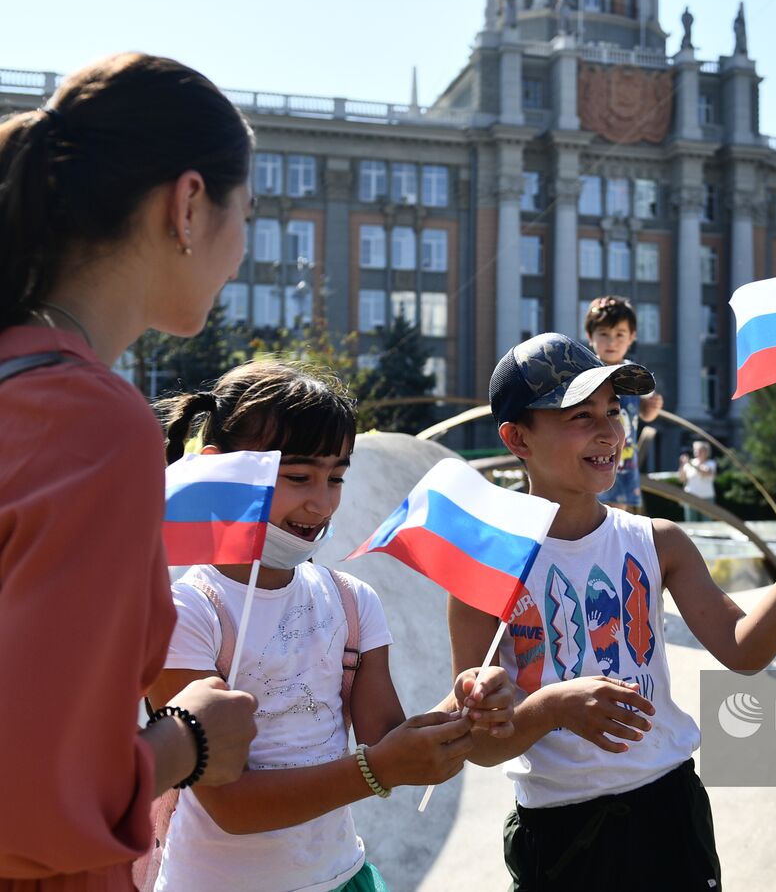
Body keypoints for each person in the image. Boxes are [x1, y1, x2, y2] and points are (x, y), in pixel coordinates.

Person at [0, 53, 260, 889]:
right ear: (188, 205)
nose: (242, 253)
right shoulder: (93, 424)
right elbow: (37, 801)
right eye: (245, 214)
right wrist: (188, 739)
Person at [450, 333, 776, 891]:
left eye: (613, 411)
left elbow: (746, 649)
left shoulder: (658, 542)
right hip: (561, 835)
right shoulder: (485, 571)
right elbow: (484, 746)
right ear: (517, 438)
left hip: (669, 813)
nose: (609, 432)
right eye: (579, 415)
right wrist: (551, 707)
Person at [149, 359, 515, 891]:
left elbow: (392, 743)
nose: (320, 501)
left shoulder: (350, 602)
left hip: (342, 877)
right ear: (219, 470)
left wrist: (464, 709)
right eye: (298, 476)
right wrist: (376, 771)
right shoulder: (188, 611)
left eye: (336, 476)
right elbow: (230, 804)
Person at [584, 296, 663, 513]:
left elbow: (645, 414)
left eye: (620, 334)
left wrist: (652, 408)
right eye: (604, 334)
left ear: (632, 337)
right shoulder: (587, 372)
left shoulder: (634, 373)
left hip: (624, 460)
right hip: (591, 454)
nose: (611, 342)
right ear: (590, 336)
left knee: (619, 514)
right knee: (590, 510)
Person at [677, 440, 717, 522]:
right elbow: (682, 479)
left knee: (707, 523)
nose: (696, 452)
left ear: (706, 452)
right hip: (691, 497)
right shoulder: (689, 463)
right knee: (691, 523)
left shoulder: (711, 463)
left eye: (699, 450)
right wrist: (682, 465)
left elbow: (705, 472)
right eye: (695, 449)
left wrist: (690, 464)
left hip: (707, 498)